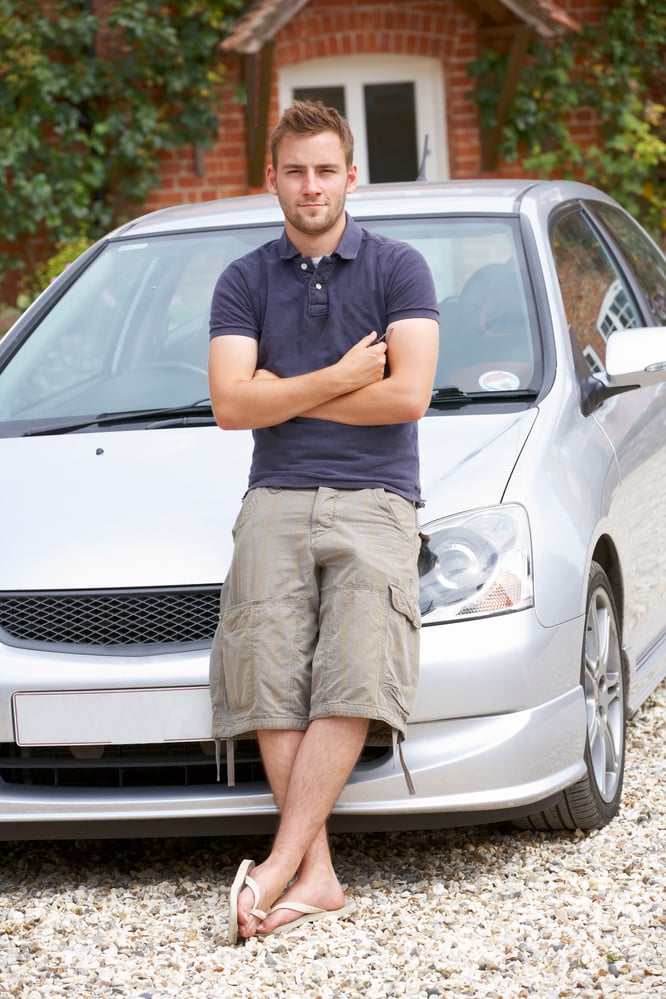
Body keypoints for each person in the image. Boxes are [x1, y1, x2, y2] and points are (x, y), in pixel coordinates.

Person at [208, 100, 439, 944]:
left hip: (379, 501)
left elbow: (408, 395)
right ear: (272, 178)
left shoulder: (400, 268)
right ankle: (319, 875)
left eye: (325, 169)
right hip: (273, 495)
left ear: (352, 175)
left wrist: (290, 393)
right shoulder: (243, 280)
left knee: (354, 666)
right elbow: (232, 405)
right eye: (295, 170)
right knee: (269, 672)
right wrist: (345, 377)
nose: (311, 185)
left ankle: (277, 867)